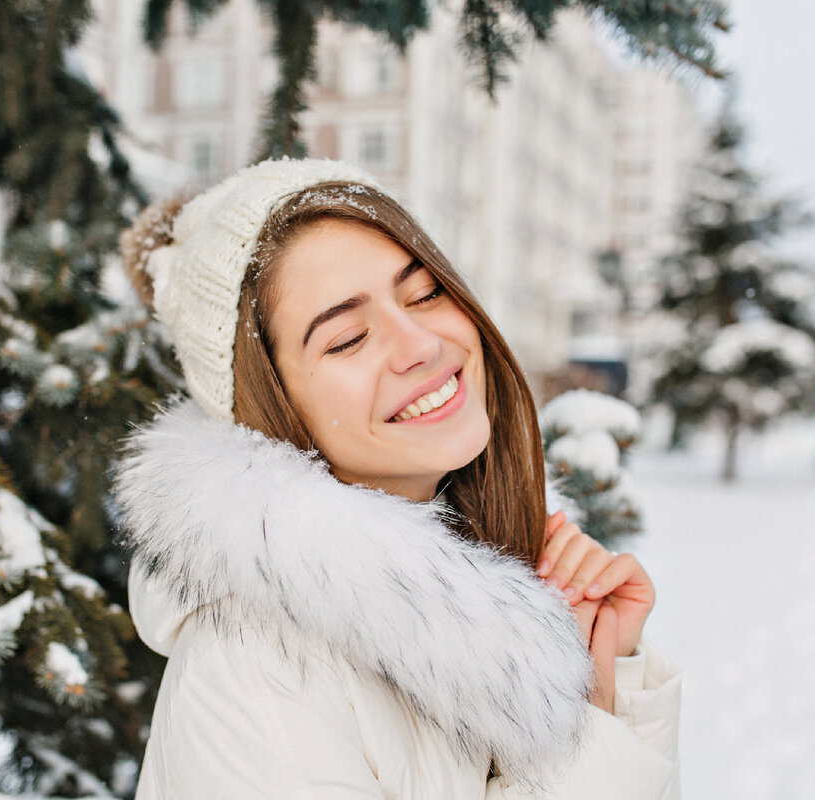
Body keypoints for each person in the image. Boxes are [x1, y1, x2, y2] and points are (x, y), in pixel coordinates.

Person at [115, 158, 680, 799]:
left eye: (424, 294)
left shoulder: (494, 585)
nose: (419, 344)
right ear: (271, 410)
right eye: (348, 338)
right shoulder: (259, 676)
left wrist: (602, 670)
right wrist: (587, 738)